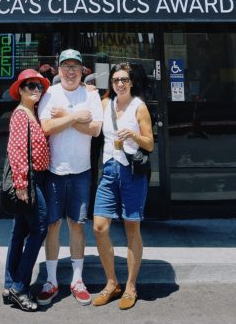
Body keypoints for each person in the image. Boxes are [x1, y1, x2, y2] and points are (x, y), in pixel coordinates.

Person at [37, 49, 103, 306]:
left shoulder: (90, 94)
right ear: (59, 69)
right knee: (53, 225)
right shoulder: (50, 94)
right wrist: (75, 116)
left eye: (75, 66)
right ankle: (51, 280)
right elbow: (46, 127)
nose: (71, 71)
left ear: (82, 70)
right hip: (54, 171)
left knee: (77, 224)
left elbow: (95, 129)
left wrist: (63, 117)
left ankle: (77, 280)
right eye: (66, 66)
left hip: (81, 171)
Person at [91, 63, 154, 310]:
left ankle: (130, 286)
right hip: (109, 170)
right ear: (111, 83)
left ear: (131, 82)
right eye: (116, 80)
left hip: (131, 173)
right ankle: (111, 283)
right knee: (99, 227)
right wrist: (87, 88)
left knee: (132, 228)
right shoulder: (105, 104)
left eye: (124, 80)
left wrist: (133, 135)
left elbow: (149, 144)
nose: (120, 84)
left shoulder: (139, 107)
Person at [3, 68, 51, 312]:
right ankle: (20, 287)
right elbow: (17, 150)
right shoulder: (21, 114)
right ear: (20, 90)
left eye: (39, 86)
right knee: (40, 227)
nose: (36, 90)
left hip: (36, 178)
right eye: (31, 86)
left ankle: (9, 284)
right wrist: (21, 184)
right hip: (29, 180)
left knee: (19, 230)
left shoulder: (33, 113)